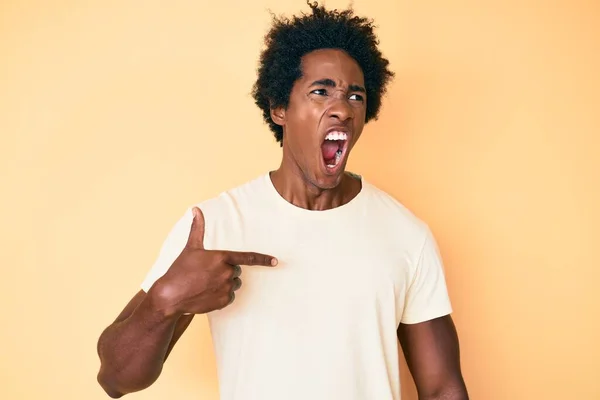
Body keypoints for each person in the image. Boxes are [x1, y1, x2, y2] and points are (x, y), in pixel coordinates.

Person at [96, 2, 469, 399]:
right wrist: (164, 300)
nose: (341, 108)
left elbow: (443, 387)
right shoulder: (215, 226)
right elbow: (116, 379)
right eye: (320, 91)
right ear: (279, 108)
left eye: (355, 96)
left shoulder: (406, 235)